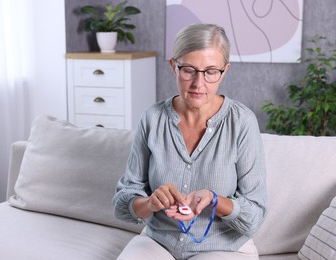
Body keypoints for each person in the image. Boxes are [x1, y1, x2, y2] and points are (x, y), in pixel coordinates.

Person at [112, 23, 267, 260]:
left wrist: (215, 200)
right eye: (189, 70)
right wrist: (150, 203)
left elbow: (254, 216)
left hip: (223, 247)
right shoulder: (152, 118)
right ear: (174, 66)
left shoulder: (242, 122)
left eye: (211, 71)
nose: (198, 83)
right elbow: (123, 204)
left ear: (224, 71)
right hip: (158, 241)